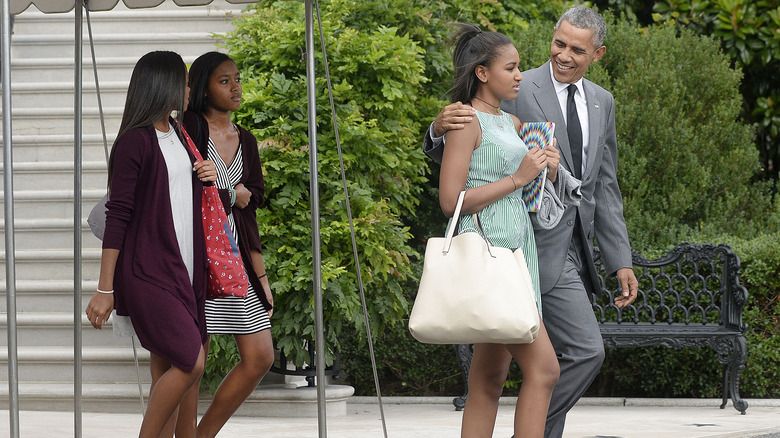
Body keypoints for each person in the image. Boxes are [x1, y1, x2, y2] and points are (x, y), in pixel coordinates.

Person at [424, 7, 639, 438]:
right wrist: (436, 129)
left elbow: (603, 188)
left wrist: (620, 259)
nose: (562, 54)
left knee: (491, 378)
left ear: (597, 54)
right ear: (486, 72)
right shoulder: (505, 95)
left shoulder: (594, 103)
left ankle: (537, 427)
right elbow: (458, 164)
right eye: (559, 43)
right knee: (555, 364)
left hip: (533, 252)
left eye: (576, 49)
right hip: (500, 253)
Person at [84, 50, 217, 438]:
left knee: (171, 366)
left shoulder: (181, 131)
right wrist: (104, 289)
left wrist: (209, 175)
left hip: (187, 269)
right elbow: (118, 215)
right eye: (185, 80)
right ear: (164, 84)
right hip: (148, 271)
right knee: (190, 362)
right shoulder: (134, 143)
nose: (190, 88)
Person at [438, 24, 560, 438]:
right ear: (483, 73)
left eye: (520, 67)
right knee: (544, 370)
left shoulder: (510, 120)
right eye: (511, 67)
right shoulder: (466, 120)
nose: (520, 75)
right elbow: (449, 200)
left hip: (514, 252)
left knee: (487, 381)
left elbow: (525, 187)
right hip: (491, 255)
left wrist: (546, 170)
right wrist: (519, 177)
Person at [177, 51, 275, 438]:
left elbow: (253, 205)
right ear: (203, 87)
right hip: (194, 259)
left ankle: (204, 435)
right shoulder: (188, 129)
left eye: (237, 78)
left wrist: (261, 274)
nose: (235, 87)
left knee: (260, 357)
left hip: (237, 262)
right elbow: (182, 191)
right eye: (224, 81)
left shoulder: (246, 140)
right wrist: (230, 192)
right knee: (190, 361)